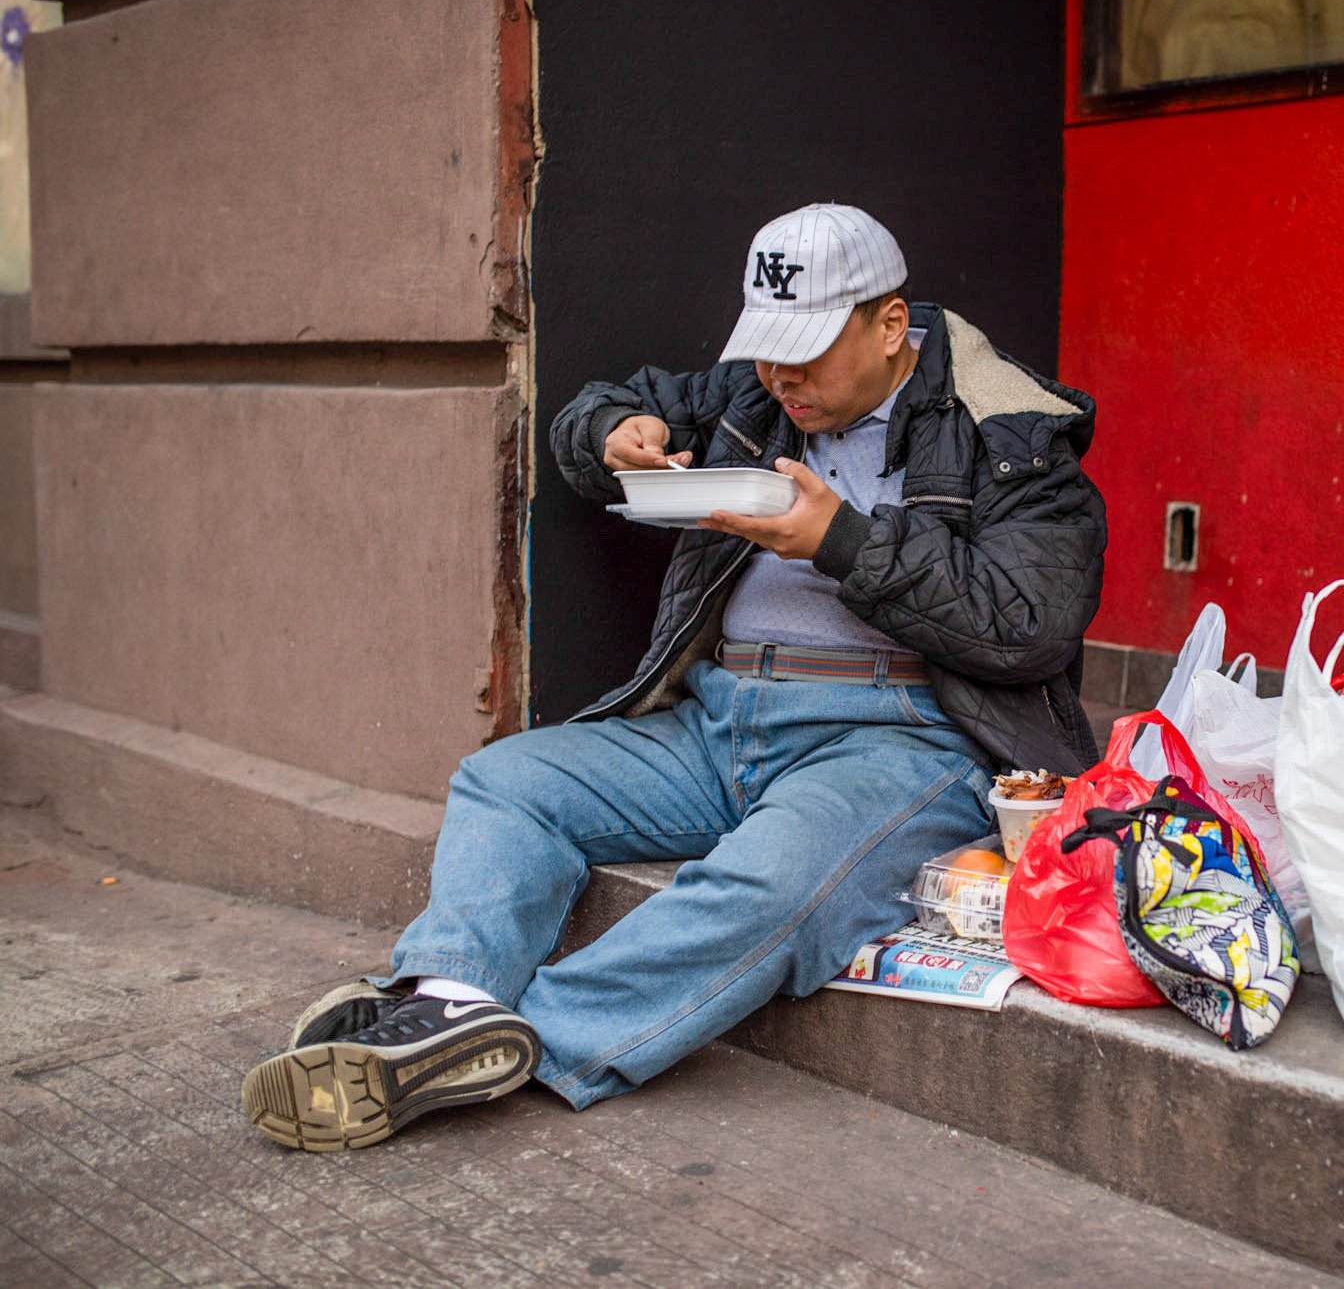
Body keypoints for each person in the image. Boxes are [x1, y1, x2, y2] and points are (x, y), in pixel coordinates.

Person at [242, 203, 1106, 1151]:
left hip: (897, 735)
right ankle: (448, 1002)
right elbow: (601, 409)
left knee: (771, 883)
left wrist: (841, 542)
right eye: (771, 349)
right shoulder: (755, 393)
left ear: (889, 324)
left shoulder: (1011, 425)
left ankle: (535, 1038)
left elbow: (1030, 626)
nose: (785, 377)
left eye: (809, 351)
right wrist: (615, 432)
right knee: (510, 780)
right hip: (721, 719)